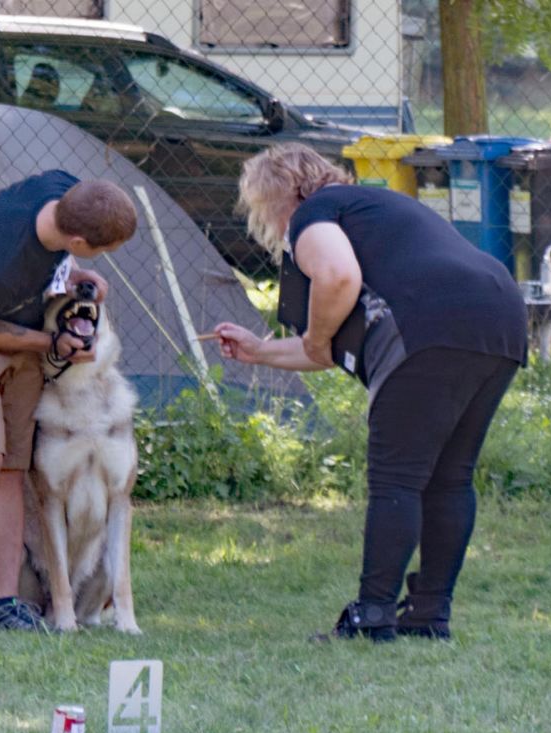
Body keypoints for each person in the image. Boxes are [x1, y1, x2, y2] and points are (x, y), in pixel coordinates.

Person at [215, 144, 527, 642]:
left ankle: (374, 614)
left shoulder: (314, 213)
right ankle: (428, 615)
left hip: (431, 327)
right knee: (449, 477)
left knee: (397, 479)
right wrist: (260, 351)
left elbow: (338, 279)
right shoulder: (374, 210)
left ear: (280, 196)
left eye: (260, 207)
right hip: (501, 317)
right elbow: (324, 349)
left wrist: (315, 337)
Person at [0, 170, 137, 631]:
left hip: (24, 323)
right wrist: (50, 344)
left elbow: (53, 266)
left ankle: (5, 599)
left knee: (14, 465)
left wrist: (76, 276)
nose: (100, 259)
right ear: (76, 238)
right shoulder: (4, 258)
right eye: (97, 252)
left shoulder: (66, 190)